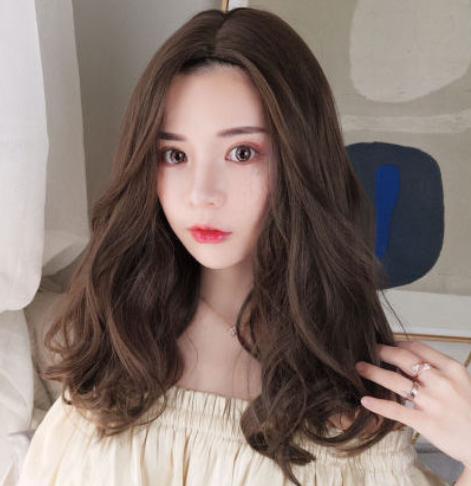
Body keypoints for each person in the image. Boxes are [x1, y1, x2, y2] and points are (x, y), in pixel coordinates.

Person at [17, 6, 471, 486]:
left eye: (242, 153)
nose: (202, 194)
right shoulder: (113, 338)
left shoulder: (357, 392)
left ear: (300, 159)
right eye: (174, 154)